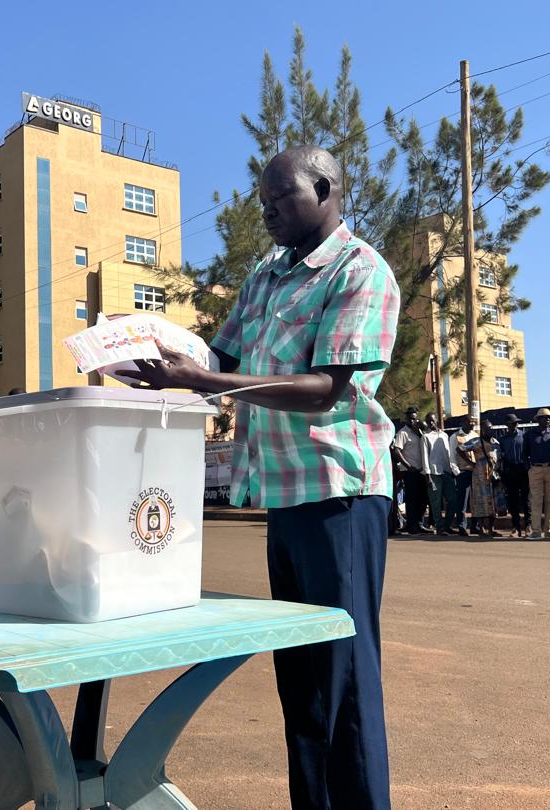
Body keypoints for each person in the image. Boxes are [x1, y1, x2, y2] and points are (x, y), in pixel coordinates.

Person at [121, 145, 399, 809]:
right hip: (282, 493)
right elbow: (221, 355)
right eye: (263, 202)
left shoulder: (359, 270)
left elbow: (324, 389)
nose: (268, 212)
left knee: (344, 679)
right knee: (300, 681)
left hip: (339, 494)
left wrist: (205, 380)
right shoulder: (268, 275)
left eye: (281, 199)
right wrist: (156, 356)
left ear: (325, 190)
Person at [523, 407, 550, 539]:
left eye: (549, 418)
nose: (546, 420)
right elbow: (524, 453)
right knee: (536, 500)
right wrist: (529, 468)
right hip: (535, 469)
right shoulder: (529, 435)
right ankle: (536, 531)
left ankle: (548, 530)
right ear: (538, 420)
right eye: (543, 418)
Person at [392, 407, 428, 534]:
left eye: (415, 419)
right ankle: (412, 525)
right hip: (410, 471)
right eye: (411, 419)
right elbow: (397, 451)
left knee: (422, 499)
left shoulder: (420, 433)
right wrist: (408, 466)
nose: (413, 421)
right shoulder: (403, 433)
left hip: (422, 471)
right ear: (407, 419)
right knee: (412, 500)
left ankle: (420, 523)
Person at [463, 419, 502, 537]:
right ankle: (481, 528)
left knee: (493, 503)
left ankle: (491, 528)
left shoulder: (496, 442)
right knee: (480, 502)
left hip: (493, 476)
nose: (490, 430)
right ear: (483, 430)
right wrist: (470, 462)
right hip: (479, 476)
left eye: (491, 428)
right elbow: (460, 449)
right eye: (487, 428)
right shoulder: (476, 441)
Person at [421, 411, 455, 536]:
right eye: (428, 421)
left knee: (453, 499)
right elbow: (425, 457)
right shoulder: (425, 437)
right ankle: (439, 527)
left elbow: (449, 453)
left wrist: (452, 469)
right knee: (435, 503)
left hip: (446, 471)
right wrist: (428, 476)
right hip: (433, 473)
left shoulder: (444, 435)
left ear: (437, 420)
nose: (431, 423)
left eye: (432, 420)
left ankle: (447, 525)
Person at [499, 414, 531, 537]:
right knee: (513, 500)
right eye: (512, 423)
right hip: (510, 470)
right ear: (507, 424)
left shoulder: (524, 436)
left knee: (526, 499)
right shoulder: (502, 439)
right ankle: (516, 527)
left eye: (516, 422)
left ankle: (528, 526)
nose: (515, 425)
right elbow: (501, 456)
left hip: (523, 469)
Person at [448, 415, 478, 536]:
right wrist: (457, 472)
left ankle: (475, 526)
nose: (472, 424)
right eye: (470, 422)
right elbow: (452, 456)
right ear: (463, 422)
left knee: (475, 500)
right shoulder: (455, 436)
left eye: (473, 422)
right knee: (462, 501)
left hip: (475, 472)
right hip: (463, 471)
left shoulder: (475, 435)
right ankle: (462, 526)